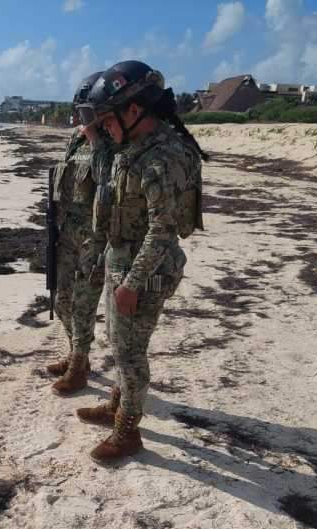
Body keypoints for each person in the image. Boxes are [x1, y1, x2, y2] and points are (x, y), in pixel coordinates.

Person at [73, 60, 208, 463]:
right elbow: (107, 176)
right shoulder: (134, 147)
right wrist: (95, 136)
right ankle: (118, 405)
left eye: (110, 120)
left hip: (145, 272)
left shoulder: (162, 158)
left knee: (131, 354)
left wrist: (131, 283)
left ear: (134, 111)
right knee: (119, 345)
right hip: (122, 261)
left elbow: (163, 230)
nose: (106, 128)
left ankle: (127, 432)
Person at [46, 71, 114, 396]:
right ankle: (77, 354)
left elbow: (108, 180)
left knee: (84, 306)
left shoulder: (111, 142)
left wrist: (96, 138)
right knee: (61, 299)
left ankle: (78, 367)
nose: (81, 118)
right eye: (80, 112)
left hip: (93, 238)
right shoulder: (75, 139)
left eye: (88, 112)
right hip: (67, 233)